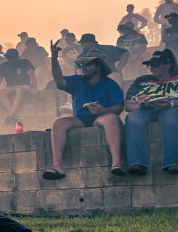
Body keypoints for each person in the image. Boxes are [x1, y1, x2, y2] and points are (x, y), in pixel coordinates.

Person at [44, 42, 126, 180]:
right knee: (58, 122)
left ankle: (117, 164)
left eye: (87, 64)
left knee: (111, 118)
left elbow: (118, 108)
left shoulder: (110, 84)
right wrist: (54, 58)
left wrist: (103, 110)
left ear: (98, 66)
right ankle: (57, 166)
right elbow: (59, 81)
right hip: (80, 119)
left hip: (101, 118)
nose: (83, 67)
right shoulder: (77, 81)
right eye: (81, 64)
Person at [123, 49, 178, 175]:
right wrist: (140, 105)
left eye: (156, 64)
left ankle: (172, 163)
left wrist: (171, 104)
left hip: (175, 110)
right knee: (133, 116)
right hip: (147, 110)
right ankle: (137, 163)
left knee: (169, 114)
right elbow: (127, 105)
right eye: (150, 65)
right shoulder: (141, 81)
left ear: (168, 65)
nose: (152, 68)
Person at [0, 48, 38, 126]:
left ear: (16, 57)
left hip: (24, 85)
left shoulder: (25, 62)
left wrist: (34, 88)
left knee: (19, 90)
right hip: (10, 87)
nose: (8, 59)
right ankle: (12, 114)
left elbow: (32, 74)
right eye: (7, 57)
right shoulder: (4, 65)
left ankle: (10, 115)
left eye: (10, 57)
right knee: (2, 92)